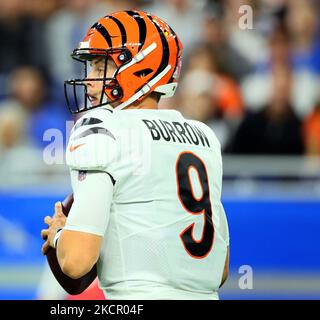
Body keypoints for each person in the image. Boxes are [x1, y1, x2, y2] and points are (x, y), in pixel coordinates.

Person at [41, 10, 229, 300]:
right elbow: (221, 268)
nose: (90, 80)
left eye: (101, 65)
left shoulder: (102, 128)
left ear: (139, 68)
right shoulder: (204, 137)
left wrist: (58, 234)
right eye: (89, 66)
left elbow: (76, 262)